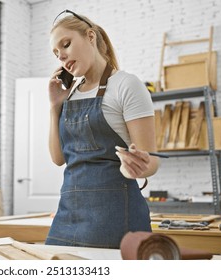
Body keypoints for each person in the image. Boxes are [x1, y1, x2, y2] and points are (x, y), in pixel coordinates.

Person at [46, 10, 160, 249]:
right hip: (68, 216)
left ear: (90, 36)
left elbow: (152, 162)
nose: (62, 56)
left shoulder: (126, 85)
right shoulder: (69, 95)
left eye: (66, 44)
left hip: (117, 218)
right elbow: (58, 159)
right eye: (57, 54)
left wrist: (135, 168)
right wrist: (54, 106)